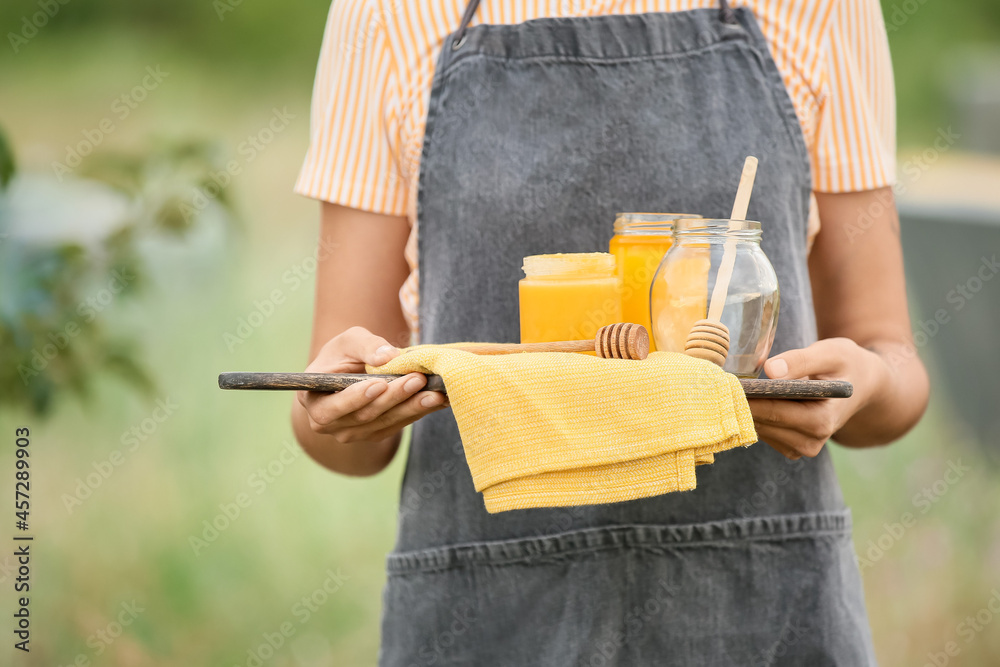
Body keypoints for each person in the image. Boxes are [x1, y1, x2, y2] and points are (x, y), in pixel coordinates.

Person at [291, 0, 929, 663]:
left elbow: (893, 364)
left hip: (760, 608)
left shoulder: (825, 10)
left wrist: (866, 383)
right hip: (488, 615)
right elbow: (335, 424)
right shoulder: (386, 14)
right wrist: (340, 409)